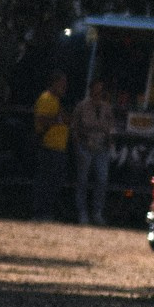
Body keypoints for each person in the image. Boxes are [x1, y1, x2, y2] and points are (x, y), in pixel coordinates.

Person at [72, 79, 119, 226]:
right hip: (85, 147)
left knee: (102, 180)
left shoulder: (107, 108)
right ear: (91, 89)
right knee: (82, 180)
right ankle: (82, 213)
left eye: (100, 89)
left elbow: (111, 127)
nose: (98, 92)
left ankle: (97, 212)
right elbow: (74, 127)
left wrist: (111, 143)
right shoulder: (82, 107)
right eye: (96, 89)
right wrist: (78, 145)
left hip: (102, 149)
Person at [30, 73, 70, 221]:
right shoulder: (46, 98)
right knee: (45, 182)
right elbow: (41, 119)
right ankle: (39, 213)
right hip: (48, 147)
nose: (64, 87)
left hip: (59, 148)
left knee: (54, 183)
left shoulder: (57, 100)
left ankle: (47, 212)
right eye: (62, 83)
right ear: (53, 83)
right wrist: (60, 119)